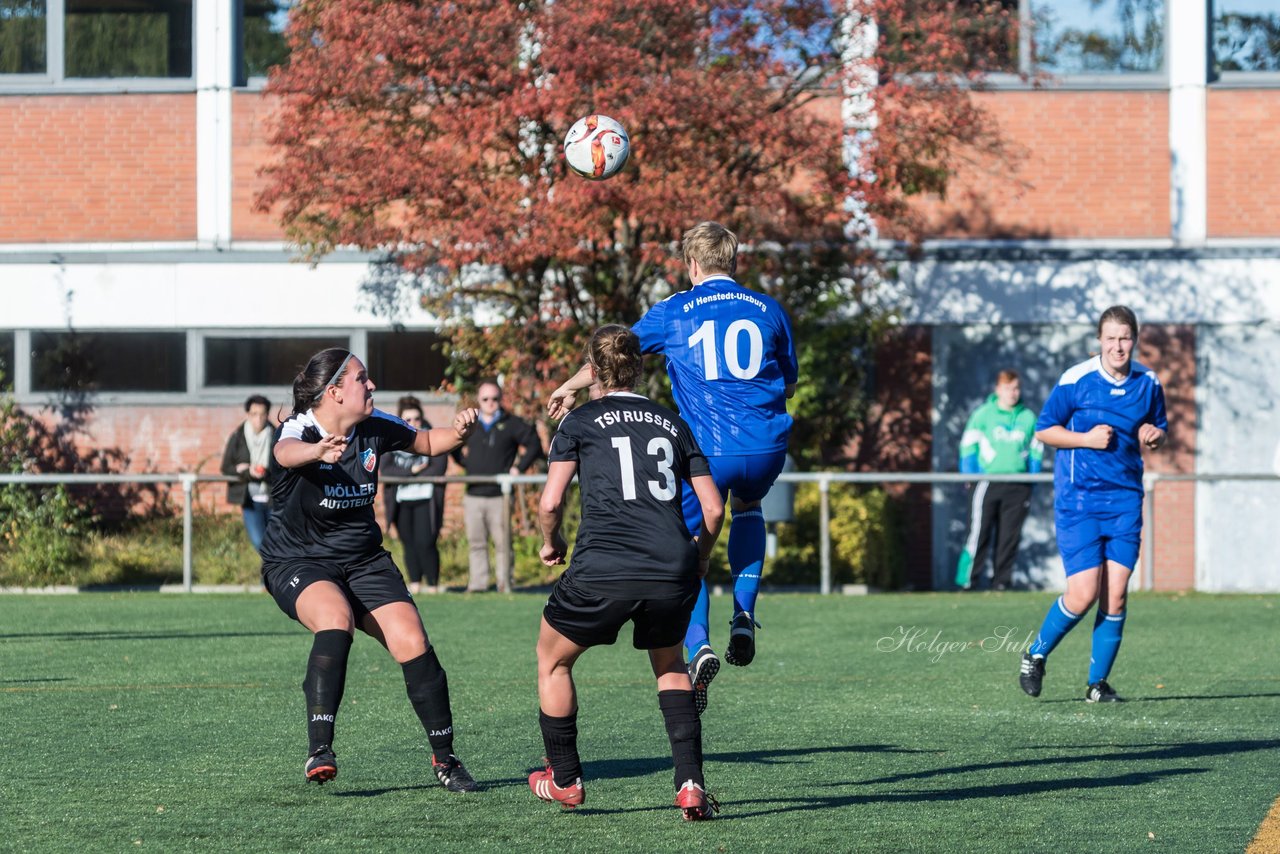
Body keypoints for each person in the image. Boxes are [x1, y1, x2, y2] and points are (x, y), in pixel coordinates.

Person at [548, 221, 797, 715]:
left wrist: (571, 384)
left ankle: (698, 642)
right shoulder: (769, 309)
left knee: (688, 542)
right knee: (748, 508)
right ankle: (744, 613)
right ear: (734, 261)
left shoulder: (675, 310)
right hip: (766, 447)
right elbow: (788, 384)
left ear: (693, 265)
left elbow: (615, 354)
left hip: (707, 451)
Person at [259, 347, 481, 790]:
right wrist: (316, 452)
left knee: (414, 642)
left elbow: (428, 442)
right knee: (335, 619)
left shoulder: (375, 425)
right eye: (363, 379)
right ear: (335, 391)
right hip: (298, 559)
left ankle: (446, 760)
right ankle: (320, 749)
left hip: (363, 560)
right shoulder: (301, 428)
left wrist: (459, 431)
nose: (372, 385)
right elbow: (283, 453)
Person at [531, 325, 725, 820]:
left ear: (592, 370)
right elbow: (714, 510)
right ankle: (690, 786)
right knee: (670, 666)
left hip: (604, 566)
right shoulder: (672, 421)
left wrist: (550, 543)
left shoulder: (579, 422)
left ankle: (566, 780)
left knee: (552, 660)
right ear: (640, 366)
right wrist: (700, 555)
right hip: (670, 567)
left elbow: (550, 502)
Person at [1019, 306, 1167, 703]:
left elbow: (1159, 429)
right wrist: (1085, 439)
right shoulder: (1076, 379)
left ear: (1135, 339)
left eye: (1125, 338)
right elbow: (1044, 430)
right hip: (1079, 501)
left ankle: (1096, 685)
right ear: (1099, 341)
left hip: (1124, 502)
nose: (1118, 346)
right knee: (1083, 594)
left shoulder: (1149, 382)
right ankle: (1035, 655)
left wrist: (1155, 436)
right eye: (1111, 338)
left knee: (1116, 595)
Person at [954, 370, 1044, 591]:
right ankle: (968, 582)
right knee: (978, 533)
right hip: (987, 482)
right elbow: (968, 446)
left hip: (1018, 485)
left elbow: (1036, 451)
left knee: (1009, 537)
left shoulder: (1028, 417)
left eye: (1016, 388)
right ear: (997, 390)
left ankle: (1001, 583)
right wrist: (970, 476)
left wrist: (1031, 480)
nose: (1012, 393)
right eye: (1007, 388)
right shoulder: (984, 414)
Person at [450, 380, 542, 593]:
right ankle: (478, 585)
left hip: (500, 495)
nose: (490, 403)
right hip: (473, 493)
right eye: (485, 399)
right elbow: (452, 443)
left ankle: (504, 584)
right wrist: (465, 463)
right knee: (476, 542)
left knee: (503, 543)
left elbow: (533, 443)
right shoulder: (470, 423)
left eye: (495, 398)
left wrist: (519, 467)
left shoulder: (512, 423)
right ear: (478, 401)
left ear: (500, 399)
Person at [382, 396, 448, 594]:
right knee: (408, 542)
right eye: (408, 420)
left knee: (425, 541)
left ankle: (433, 584)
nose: (413, 423)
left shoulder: (431, 436)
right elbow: (386, 470)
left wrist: (413, 473)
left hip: (426, 498)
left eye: (416, 419)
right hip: (401, 500)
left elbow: (438, 467)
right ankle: (415, 583)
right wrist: (413, 471)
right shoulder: (393, 439)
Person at [220, 394, 276, 553]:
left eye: (262, 414)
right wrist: (246, 471)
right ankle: (269, 577)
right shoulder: (238, 436)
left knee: (274, 544)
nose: (258, 419)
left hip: (273, 499)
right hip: (250, 500)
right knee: (260, 542)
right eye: (254, 414)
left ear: (267, 415)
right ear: (248, 415)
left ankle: (268, 577)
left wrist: (264, 472)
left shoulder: (276, 435)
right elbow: (226, 467)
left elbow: (284, 468)